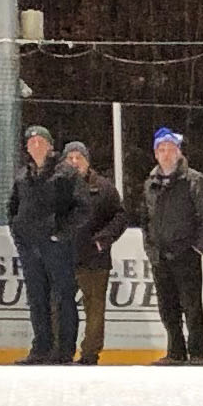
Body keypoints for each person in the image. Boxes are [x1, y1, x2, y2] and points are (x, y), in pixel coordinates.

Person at [140, 126, 203, 364]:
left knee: (191, 306)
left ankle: (197, 353)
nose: (166, 154)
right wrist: (151, 249)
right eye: (161, 149)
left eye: (170, 149)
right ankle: (175, 351)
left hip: (185, 255)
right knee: (167, 307)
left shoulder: (193, 180)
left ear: (179, 151)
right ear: (155, 153)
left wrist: (195, 249)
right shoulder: (150, 183)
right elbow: (146, 220)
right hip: (160, 256)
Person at [6, 122, 76, 365]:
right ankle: (41, 347)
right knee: (37, 298)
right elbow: (12, 208)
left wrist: (62, 234)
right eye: (31, 142)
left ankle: (64, 350)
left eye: (40, 141)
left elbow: (81, 208)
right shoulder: (22, 175)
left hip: (57, 247)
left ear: (50, 146)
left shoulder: (65, 172)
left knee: (63, 298)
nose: (36, 145)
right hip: (30, 247)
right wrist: (18, 233)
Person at [57, 139, 128, 365]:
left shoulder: (104, 188)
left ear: (88, 161)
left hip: (94, 259)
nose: (75, 162)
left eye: (80, 158)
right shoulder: (56, 186)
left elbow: (120, 216)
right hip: (64, 257)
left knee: (95, 309)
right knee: (59, 305)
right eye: (71, 158)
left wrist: (103, 240)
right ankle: (61, 349)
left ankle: (89, 353)